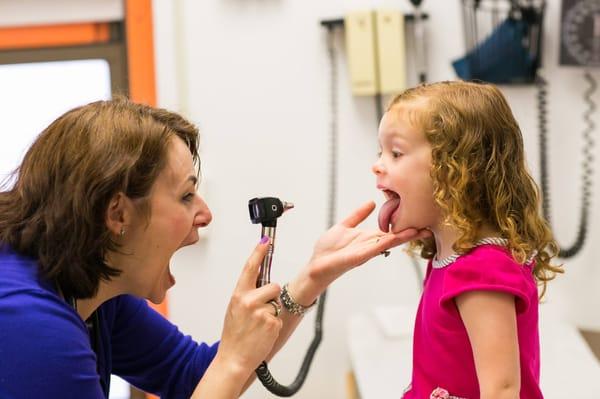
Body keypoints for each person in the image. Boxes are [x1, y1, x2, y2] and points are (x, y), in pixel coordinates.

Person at [0, 97, 430, 399]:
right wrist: (236, 357)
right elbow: (220, 373)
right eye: (186, 196)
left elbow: (189, 379)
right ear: (118, 215)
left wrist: (311, 278)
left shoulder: (92, 289)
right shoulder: (30, 327)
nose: (204, 214)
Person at [372, 81, 563, 399]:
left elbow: (501, 390)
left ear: (455, 170)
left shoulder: (482, 271)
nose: (377, 165)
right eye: (381, 152)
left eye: (396, 153)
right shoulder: (453, 258)